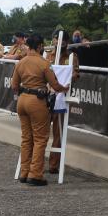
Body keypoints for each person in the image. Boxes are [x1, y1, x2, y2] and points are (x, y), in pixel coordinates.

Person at [11, 34, 68, 186]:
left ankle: (24, 172)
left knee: (26, 138)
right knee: (40, 138)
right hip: (37, 101)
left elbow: (14, 86)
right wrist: (65, 88)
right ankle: (35, 174)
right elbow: (55, 85)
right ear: (40, 46)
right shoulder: (44, 63)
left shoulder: (20, 62)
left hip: (22, 101)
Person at [47, 33, 79, 175]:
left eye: (63, 40)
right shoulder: (49, 55)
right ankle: (35, 162)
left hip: (62, 96)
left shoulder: (72, 56)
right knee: (41, 131)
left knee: (58, 133)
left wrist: (67, 77)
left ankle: (53, 165)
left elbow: (76, 73)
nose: (60, 42)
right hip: (47, 96)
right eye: (57, 40)